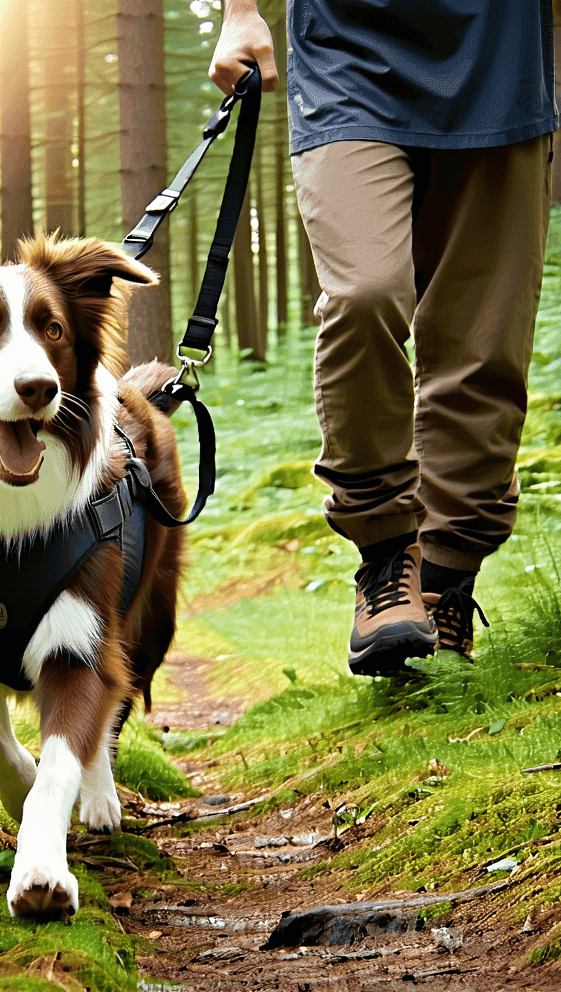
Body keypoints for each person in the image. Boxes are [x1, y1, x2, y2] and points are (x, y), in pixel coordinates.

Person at [208, 1, 557, 676]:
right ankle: (387, 552)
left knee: (483, 339)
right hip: (347, 56)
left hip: (503, 59)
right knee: (363, 293)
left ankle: (446, 582)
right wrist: (240, 12)